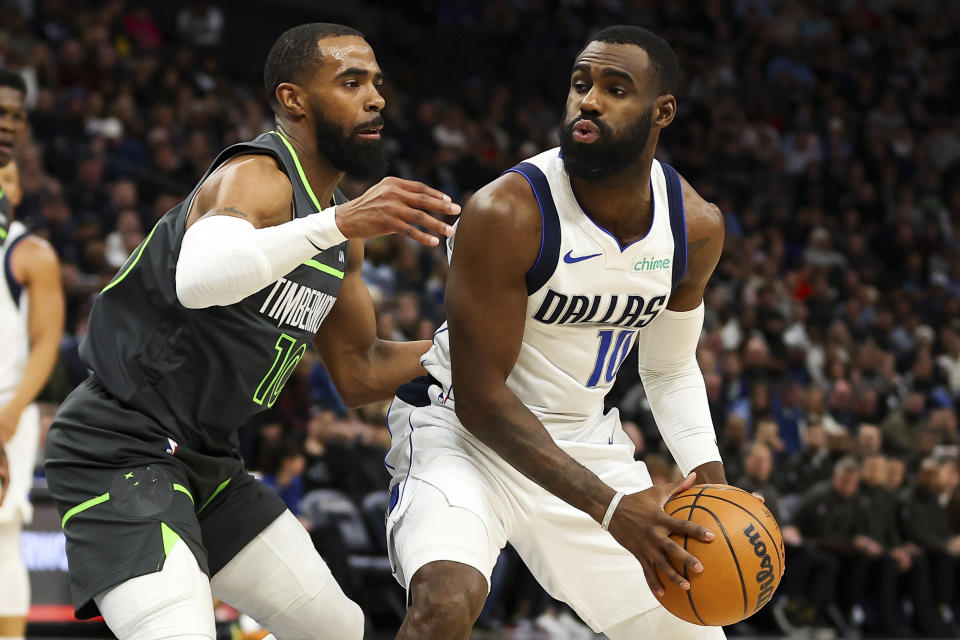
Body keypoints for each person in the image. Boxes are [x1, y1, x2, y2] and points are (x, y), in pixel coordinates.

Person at [43, 23, 459, 640]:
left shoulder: (337, 233)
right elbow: (200, 279)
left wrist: (467, 345)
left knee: (339, 629)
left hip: (210, 461)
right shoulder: (257, 175)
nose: (375, 98)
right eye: (351, 82)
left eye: (376, 83)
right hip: (119, 445)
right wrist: (341, 220)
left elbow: (360, 369)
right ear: (294, 99)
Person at [385, 26, 729, 639]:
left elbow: (670, 368)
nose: (588, 101)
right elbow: (482, 401)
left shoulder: (694, 226)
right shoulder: (506, 213)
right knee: (443, 604)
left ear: (662, 112)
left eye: (615, 89)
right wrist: (612, 507)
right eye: (580, 85)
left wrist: (714, 481)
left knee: (690, 626)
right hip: (463, 437)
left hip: (583, 441)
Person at [0, 68, 65, 640]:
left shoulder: (29, 251)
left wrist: (12, 411)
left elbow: (47, 342)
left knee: (3, 535)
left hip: (6, 405)